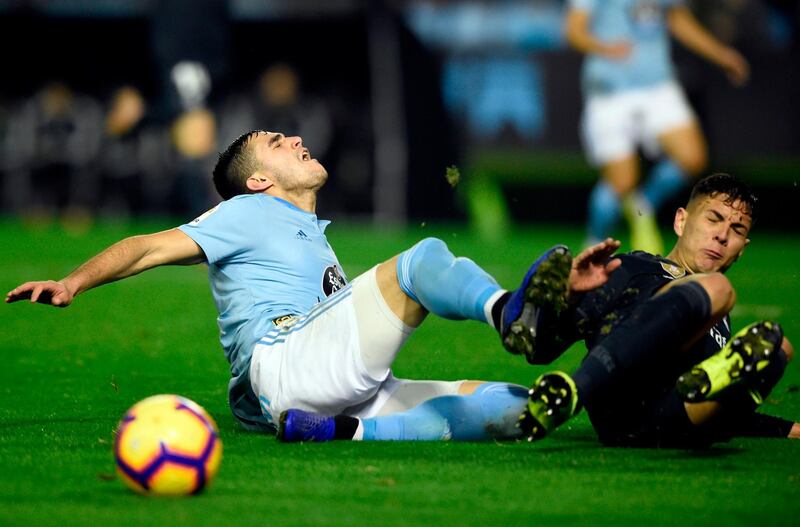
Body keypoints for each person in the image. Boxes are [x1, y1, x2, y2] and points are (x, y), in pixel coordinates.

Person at [6, 129, 620, 442]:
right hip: (290, 359)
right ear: (258, 183)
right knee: (420, 260)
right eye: (278, 144)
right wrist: (73, 281)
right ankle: (513, 314)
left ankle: (343, 433)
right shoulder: (243, 213)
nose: (297, 140)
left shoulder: (303, 230)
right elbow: (149, 246)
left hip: (319, 385)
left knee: (519, 408)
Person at [516, 173, 798, 447]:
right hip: (618, 405)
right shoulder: (633, 269)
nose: (722, 235)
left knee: (780, 347)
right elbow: (540, 349)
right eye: (713, 219)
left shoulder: (718, 317)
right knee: (718, 288)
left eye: (737, 230)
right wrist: (568, 297)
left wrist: (785, 429)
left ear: (742, 249)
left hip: (670, 424)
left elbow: (717, 402)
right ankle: (578, 389)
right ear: (681, 221)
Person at [565, 0, 750, 254]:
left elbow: (677, 19)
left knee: (693, 158)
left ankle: (644, 204)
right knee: (621, 181)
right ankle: (593, 242)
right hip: (610, 89)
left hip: (658, 85)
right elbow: (574, 30)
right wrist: (605, 48)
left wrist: (721, 54)